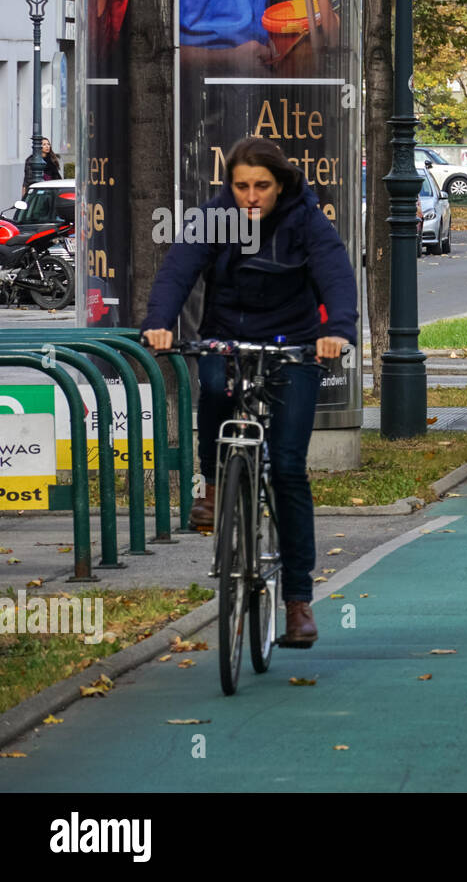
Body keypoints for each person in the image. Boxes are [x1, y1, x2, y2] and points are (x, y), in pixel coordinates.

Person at [140, 137, 358, 647]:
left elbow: (335, 275)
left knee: (286, 467)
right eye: (241, 186)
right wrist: (159, 323)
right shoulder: (214, 216)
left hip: (296, 344)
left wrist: (339, 329)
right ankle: (214, 487)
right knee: (213, 383)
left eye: (262, 186)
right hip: (228, 332)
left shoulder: (306, 219)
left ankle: (298, 602)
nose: (251, 196)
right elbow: (178, 270)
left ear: (280, 185)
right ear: (229, 186)